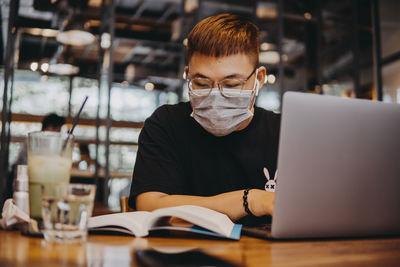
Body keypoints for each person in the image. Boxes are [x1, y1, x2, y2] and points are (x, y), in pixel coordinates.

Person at [129, 14, 280, 225]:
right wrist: (248, 200)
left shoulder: (283, 132)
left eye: (231, 85)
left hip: (269, 255)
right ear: (188, 76)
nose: (215, 95)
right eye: (201, 84)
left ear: (259, 79)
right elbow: (149, 204)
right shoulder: (166, 124)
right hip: (181, 254)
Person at [7, 113, 65, 199]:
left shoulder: (44, 142)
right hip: (25, 189)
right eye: (57, 129)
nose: (58, 133)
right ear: (49, 127)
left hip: (34, 188)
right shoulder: (36, 141)